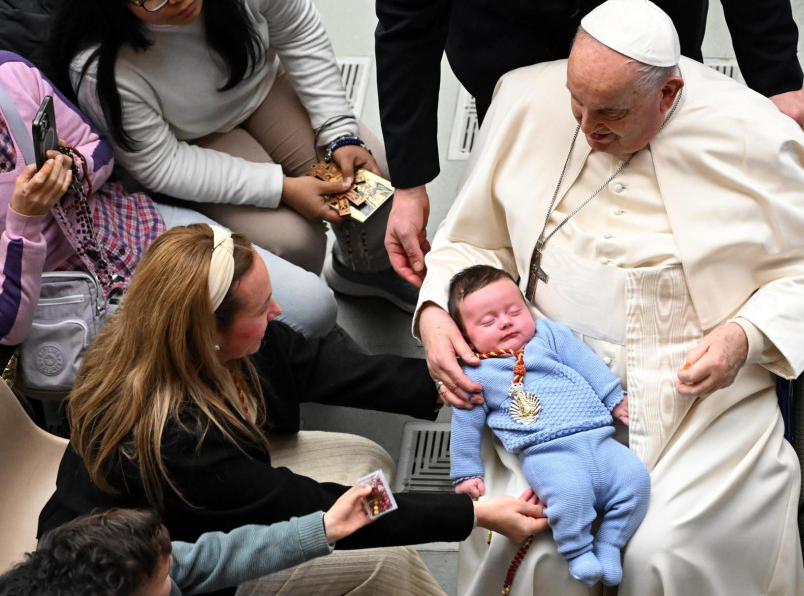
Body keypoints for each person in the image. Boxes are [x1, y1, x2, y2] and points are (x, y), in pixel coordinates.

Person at [414, 0, 804, 596]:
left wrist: (744, 337)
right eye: (577, 103)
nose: (585, 128)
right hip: (544, 376)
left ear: (669, 92)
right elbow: (471, 243)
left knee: (667, 550)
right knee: (537, 542)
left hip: (697, 391)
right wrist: (434, 314)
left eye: (610, 113)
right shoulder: (528, 97)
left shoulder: (749, 132)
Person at [37, 223, 548, 595]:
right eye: (262, 310)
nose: (278, 313)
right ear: (207, 334)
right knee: (385, 565)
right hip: (153, 567)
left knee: (365, 455)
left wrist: (461, 380)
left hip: (216, 492)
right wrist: (475, 513)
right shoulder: (181, 441)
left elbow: (331, 368)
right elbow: (312, 506)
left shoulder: (173, 340)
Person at [375, 0, 804, 288]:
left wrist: (777, 79)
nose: (589, 126)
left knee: (669, 159)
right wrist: (410, 184)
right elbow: (406, 20)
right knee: (522, 180)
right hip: (508, 30)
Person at [50, 0, 416, 313]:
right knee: (294, 244)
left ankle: (365, 270)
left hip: (262, 84)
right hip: (191, 139)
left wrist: (340, 132)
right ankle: (278, 325)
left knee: (371, 181)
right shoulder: (98, 65)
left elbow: (299, 30)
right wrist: (283, 188)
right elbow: (161, 164)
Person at [0, 51, 331, 343]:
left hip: (123, 227)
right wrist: (24, 221)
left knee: (315, 308)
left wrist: (73, 167)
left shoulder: (10, 74)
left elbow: (95, 146)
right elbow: (7, 327)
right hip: (59, 298)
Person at [447, 265, 650, 586]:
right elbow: (465, 425)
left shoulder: (550, 336)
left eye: (514, 310)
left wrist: (613, 397)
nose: (505, 321)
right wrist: (466, 471)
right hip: (548, 454)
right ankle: (579, 550)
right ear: (465, 338)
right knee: (569, 498)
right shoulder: (477, 373)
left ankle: (610, 543)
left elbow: (587, 363)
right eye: (488, 321)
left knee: (636, 481)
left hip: (600, 439)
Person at [1, 489, 372, 596]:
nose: (172, 577)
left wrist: (324, 528)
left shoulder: (136, 569)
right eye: (163, 581)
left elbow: (223, 555)